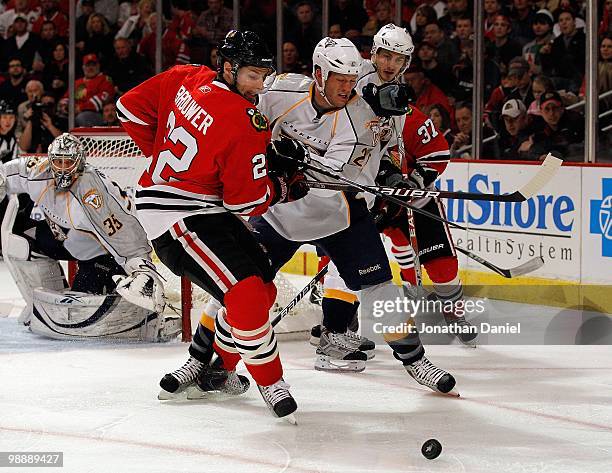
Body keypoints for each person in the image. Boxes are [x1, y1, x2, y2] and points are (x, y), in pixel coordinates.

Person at [204, 36, 459, 394]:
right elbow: (239, 113)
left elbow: (342, 176)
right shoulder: (280, 90)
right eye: (339, 78)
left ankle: (416, 360)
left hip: (339, 215)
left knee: (379, 289)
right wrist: (264, 151)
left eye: (352, 79)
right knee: (246, 290)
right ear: (319, 74)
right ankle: (214, 365)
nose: (347, 87)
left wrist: (392, 177)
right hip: (278, 213)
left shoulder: (366, 121)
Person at [117, 30, 309, 421]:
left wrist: (165, 159)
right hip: (174, 213)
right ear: (229, 68)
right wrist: (284, 185)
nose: (260, 85)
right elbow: (246, 202)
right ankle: (270, 381)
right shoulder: (246, 120)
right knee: (248, 295)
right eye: (253, 76)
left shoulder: (186, 76)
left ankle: (210, 368)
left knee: (264, 288)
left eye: (265, 75)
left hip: (193, 203)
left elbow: (128, 109)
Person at [311, 25, 477, 354]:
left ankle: (453, 309)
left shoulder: (402, 104)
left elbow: (435, 153)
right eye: (384, 55)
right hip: (358, 188)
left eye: (398, 58)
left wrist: (409, 180)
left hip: (398, 192)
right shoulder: (345, 91)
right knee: (343, 257)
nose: (389, 64)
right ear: (372, 55)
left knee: (439, 259)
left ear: (406, 63)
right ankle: (339, 324)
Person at [0, 133, 172, 341]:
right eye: (58, 161)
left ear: (80, 162)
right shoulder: (38, 170)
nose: (63, 168)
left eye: (68, 162)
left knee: (84, 314)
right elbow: (8, 173)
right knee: (20, 244)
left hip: (103, 254)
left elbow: (123, 231)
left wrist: (141, 267)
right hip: (67, 239)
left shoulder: (92, 191)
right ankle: (38, 304)